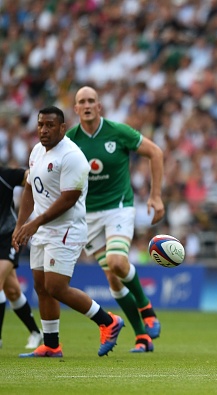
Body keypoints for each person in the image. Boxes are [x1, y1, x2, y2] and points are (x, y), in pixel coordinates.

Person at [12, 106, 124, 358]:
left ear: (62, 128)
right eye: (41, 124)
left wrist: (35, 223)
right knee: (40, 286)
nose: (44, 129)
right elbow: (29, 187)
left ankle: (108, 322)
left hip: (66, 228)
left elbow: (69, 199)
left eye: (50, 125)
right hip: (41, 228)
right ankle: (51, 344)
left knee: (56, 287)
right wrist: (21, 224)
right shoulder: (37, 151)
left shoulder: (72, 156)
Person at [66, 86, 164, 353]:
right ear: (75, 109)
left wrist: (155, 196)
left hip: (118, 207)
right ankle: (142, 336)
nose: (86, 105)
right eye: (81, 102)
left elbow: (155, 152)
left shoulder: (118, 132)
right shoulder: (69, 140)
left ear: (99, 106)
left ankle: (146, 307)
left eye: (91, 101)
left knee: (118, 262)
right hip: (87, 215)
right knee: (112, 279)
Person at [0, 165, 42, 350]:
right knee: (13, 291)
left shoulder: (6, 174)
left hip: (7, 237)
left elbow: (31, 178)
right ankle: (36, 332)